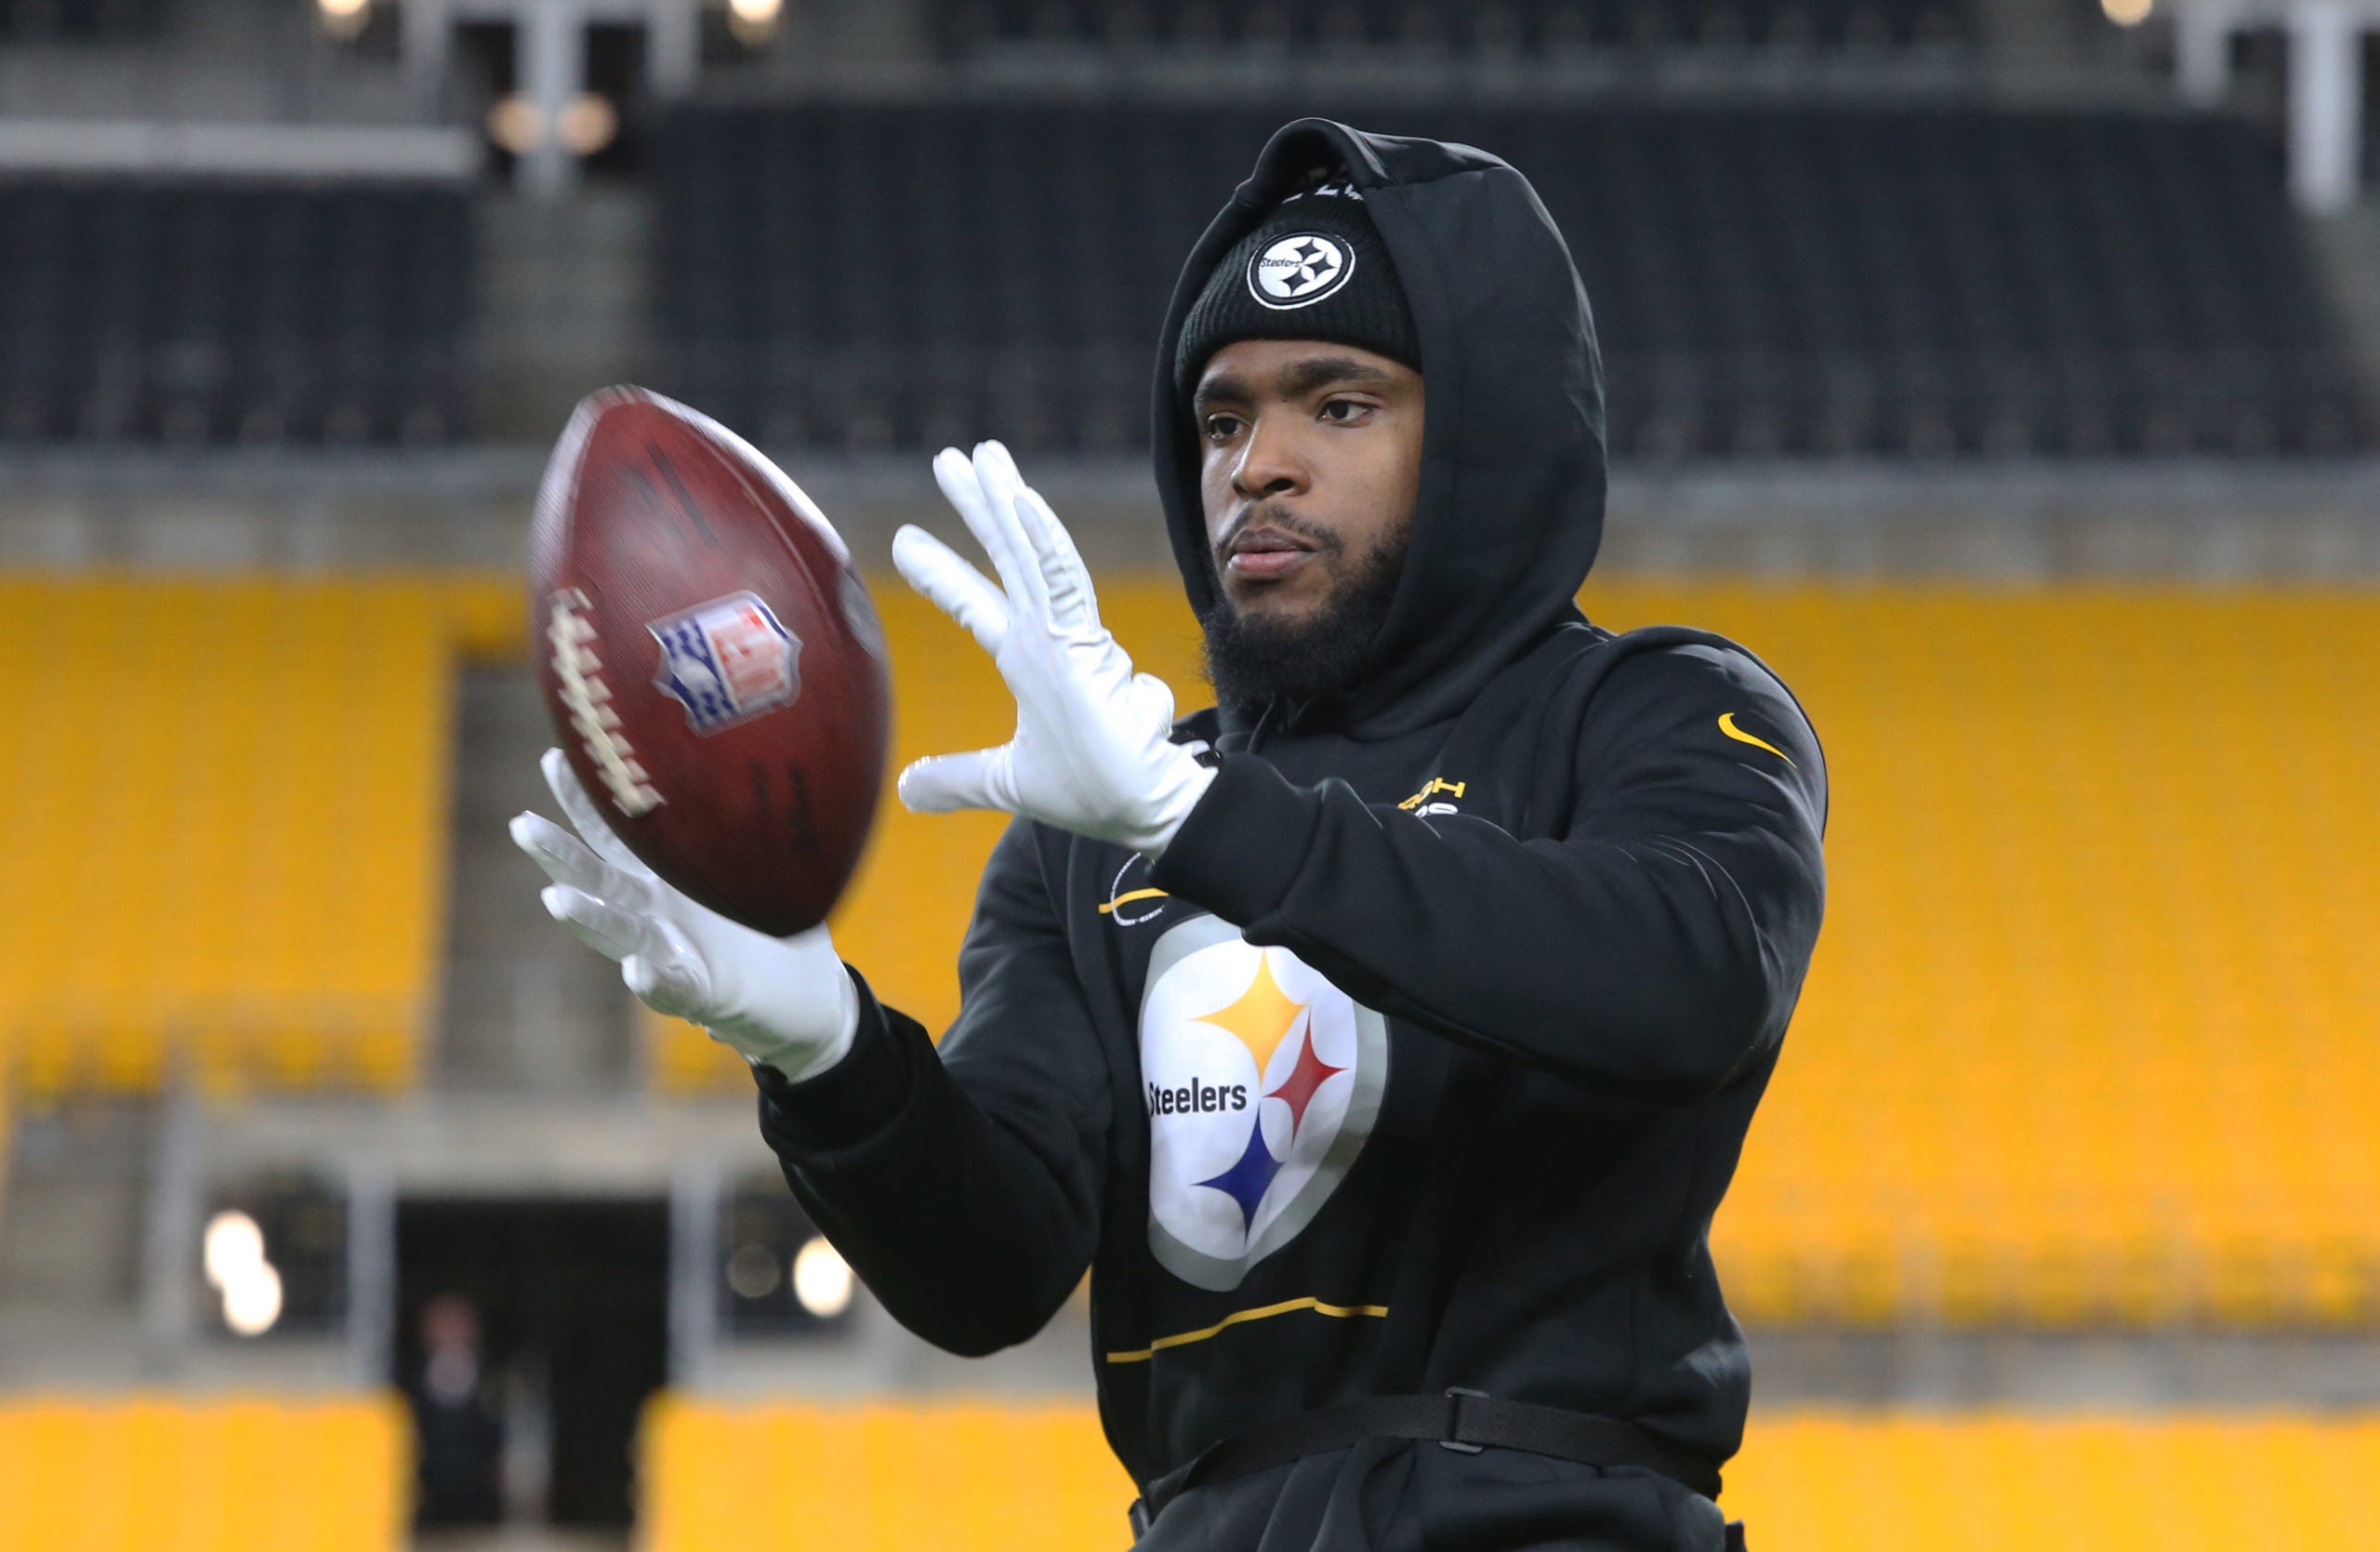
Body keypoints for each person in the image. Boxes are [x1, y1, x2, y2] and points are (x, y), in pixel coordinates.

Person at [514, 117, 1827, 1551]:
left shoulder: (1658, 710)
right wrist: (828, 1053)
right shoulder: (1098, 827)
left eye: (1340, 404)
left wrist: (1203, 818)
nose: (1258, 464)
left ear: (1489, 431)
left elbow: (1684, 976)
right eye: (1221, 418)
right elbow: (992, 1271)